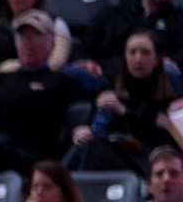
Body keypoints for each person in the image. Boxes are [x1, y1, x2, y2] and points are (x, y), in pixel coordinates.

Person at [0, 10, 83, 172]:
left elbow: (38, 111)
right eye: (23, 37)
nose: (30, 43)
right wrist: (15, 100)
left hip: (32, 157)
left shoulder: (57, 80)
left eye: (37, 36)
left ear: (52, 42)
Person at [70, 30, 182, 173]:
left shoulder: (168, 100)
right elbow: (93, 124)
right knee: (85, 146)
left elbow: (159, 144)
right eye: (132, 52)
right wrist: (82, 130)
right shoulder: (111, 89)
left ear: (157, 58)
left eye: (145, 53)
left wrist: (123, 112)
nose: (138, 59)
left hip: (145, 163)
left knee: (95, 150)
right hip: (106, 156)